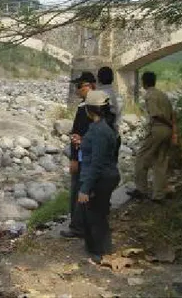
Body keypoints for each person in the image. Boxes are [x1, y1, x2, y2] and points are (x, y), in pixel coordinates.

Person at [77, 89, 121, 265]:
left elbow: (96, 164)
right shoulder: (101, 127)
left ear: (90, 110)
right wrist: (82, 143)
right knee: (98, 213)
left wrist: (85, 188)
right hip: (104, 176)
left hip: (100, 178)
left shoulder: (100, 131)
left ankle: (98, 252)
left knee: (94, 215)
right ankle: (102, 248)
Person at [127, 71, 177, 204]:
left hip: (158, 128)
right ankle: (158, 195)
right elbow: (173, 113)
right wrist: (172, 128)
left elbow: (156, 114)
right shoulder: (163, 94)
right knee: (160, 162)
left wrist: (167, 123)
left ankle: (141, 190)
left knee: (141, 158)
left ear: (144, 82)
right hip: (167, 131)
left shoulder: (150, 95)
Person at [60, 71, 96, 239]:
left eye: (79, 86)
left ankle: (77, 227)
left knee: (79, 189)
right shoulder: (98, 105)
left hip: (84, 156)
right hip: (92, 155)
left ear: (89, 86)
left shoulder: (86, 108)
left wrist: (74, 158)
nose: (77, 90)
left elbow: (77, 136)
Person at [97, 66, 123, 161]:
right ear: (112, 79)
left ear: (98, 79)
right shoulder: (118, 97)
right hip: (114, 136)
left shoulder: (95, 96)